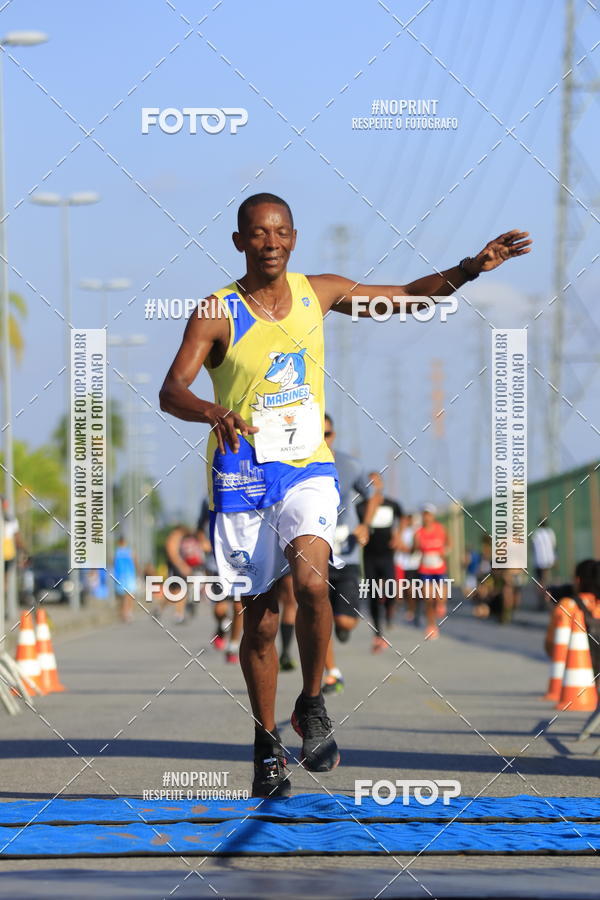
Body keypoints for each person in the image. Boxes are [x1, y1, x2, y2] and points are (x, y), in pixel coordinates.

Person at [159, 191, 531, 797]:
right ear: (238, 242)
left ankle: (311, 705)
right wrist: (209, 409)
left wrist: (469, 267)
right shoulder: (216, 312)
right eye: (257, 233)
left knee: (311, 580)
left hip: (307, 466)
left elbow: (407, 297)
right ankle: (265, 743)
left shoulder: (319, 292)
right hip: (243, 472)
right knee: (258, 623)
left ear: (294, 238)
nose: (270, 242)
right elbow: (171, 389)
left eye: (280, 231)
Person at [322, 414, 380, 691]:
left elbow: (373, 494)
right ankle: (331, 672)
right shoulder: (293, 465)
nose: (323, 439)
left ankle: (342, 626)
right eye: (318, 433)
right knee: (316, 617)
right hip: (313, 556)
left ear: (334, 434)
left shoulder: (350, 465)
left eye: (328, 434)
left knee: (344, 621)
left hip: (346, 554)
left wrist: (365, 525)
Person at [357, 472, 403, 643]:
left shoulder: (392, 504)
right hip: (370, 556)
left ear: (382, 485)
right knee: (374, 594)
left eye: (376, 483)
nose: (373, 486)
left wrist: (399, 534)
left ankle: (390, 611)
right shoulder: (360, 507)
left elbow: (403, 517)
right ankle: (378, 629)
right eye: (370, 483)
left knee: (390, 589)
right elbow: (356, 526)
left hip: (387, 554)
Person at [197, 497, 243, 663]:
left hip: (238, 561)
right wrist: (203, 542)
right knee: (219, 609)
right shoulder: (208, 499)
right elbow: (200, 528)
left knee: (239, 606)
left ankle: (233, 646)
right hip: (215, 562)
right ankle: (223, 625)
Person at [414, 504, 450, 639]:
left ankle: (441, 605)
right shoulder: (419, 533)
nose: (426, 517)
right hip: (425, 569)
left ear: (433, 516)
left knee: (439, 597)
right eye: (424, 514)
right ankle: (431, 625)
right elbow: (415, 549)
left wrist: (445, 552)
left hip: (439, 568)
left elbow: (449, 544)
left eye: (428, 514)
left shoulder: (441, 530)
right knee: (428, 599)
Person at [164, 524, 204, 625]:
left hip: (178, 567)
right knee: (178, 592)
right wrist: (182, 566)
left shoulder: (180, 538)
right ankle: (178, 614)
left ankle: (174, 612)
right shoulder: (174, 537)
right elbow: (173, 554)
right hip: (175, 567)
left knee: (176, 592)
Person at [395, 513, 422, 624]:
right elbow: (398, 545)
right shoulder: (403, 531)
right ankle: (411, 609)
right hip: (406, 565)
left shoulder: (418, 531)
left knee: (417, 590)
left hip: (418, 564)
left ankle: (416, 610)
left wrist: (410, 549)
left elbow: (418, 546)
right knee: (408, 590)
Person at [531, 518, 557, 609]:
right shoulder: (550, 532)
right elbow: (554, 546)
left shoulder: (536, 533)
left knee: (539, 582)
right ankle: (547, 601)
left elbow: (532, 547)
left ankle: (541, 602)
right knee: (546, 581)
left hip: (538, 561)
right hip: (548, 561)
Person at [113, 536, 137, 623]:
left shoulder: (117, 552)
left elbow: (113, 563)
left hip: (120, 576)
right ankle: (127, 612)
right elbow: (135, 562)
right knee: (129, 595)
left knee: (123, 596)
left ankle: (125, 612)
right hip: (129, 575)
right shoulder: (130, 552)